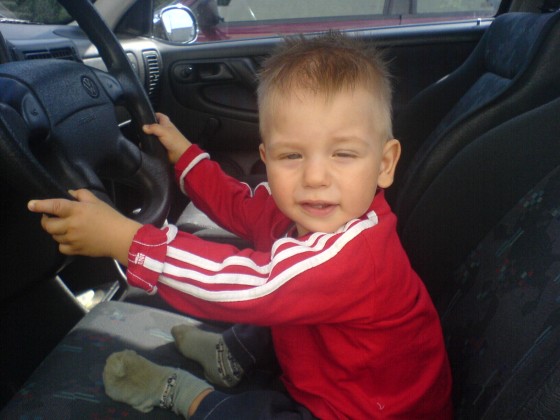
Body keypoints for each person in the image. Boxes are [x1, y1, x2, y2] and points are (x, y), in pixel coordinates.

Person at [27, 32, 452, 419]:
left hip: (369, 412)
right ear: (267, 159)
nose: (314, 177)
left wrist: (127, 240)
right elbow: (242, 205)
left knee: (266, 308)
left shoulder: (357, 256)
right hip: (333, 368)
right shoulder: (303, 212)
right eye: (292, 156)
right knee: (280, 303)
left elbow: (250, 285)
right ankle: (229, 356)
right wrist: (188, 159)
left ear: (385, 164)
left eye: (343, 154)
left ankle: (187, 394)